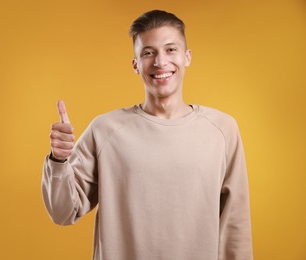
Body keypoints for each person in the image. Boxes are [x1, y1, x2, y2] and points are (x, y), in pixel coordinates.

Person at [42, 10, 253, 260]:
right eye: (148, 52)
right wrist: (59, 161)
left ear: (187, 57)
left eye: (171, 49)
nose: (160, 62)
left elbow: (235, 225)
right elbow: (63, 212)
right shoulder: (105, 130)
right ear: (135, 64)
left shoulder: (222, 130)